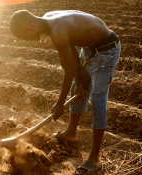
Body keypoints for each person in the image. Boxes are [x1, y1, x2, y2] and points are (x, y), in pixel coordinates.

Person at [9, 10, 121, 175]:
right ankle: (70, 133)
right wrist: (79, 81)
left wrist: (60, 104)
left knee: (98, 99)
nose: (30, 41)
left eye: (26, 38)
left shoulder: (57, 31)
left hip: (106, 52)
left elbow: (67, 71)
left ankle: (94, 158)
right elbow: (72, 56)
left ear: (30, 27)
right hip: (89, 49)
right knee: (76, 86)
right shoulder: (49, 19)